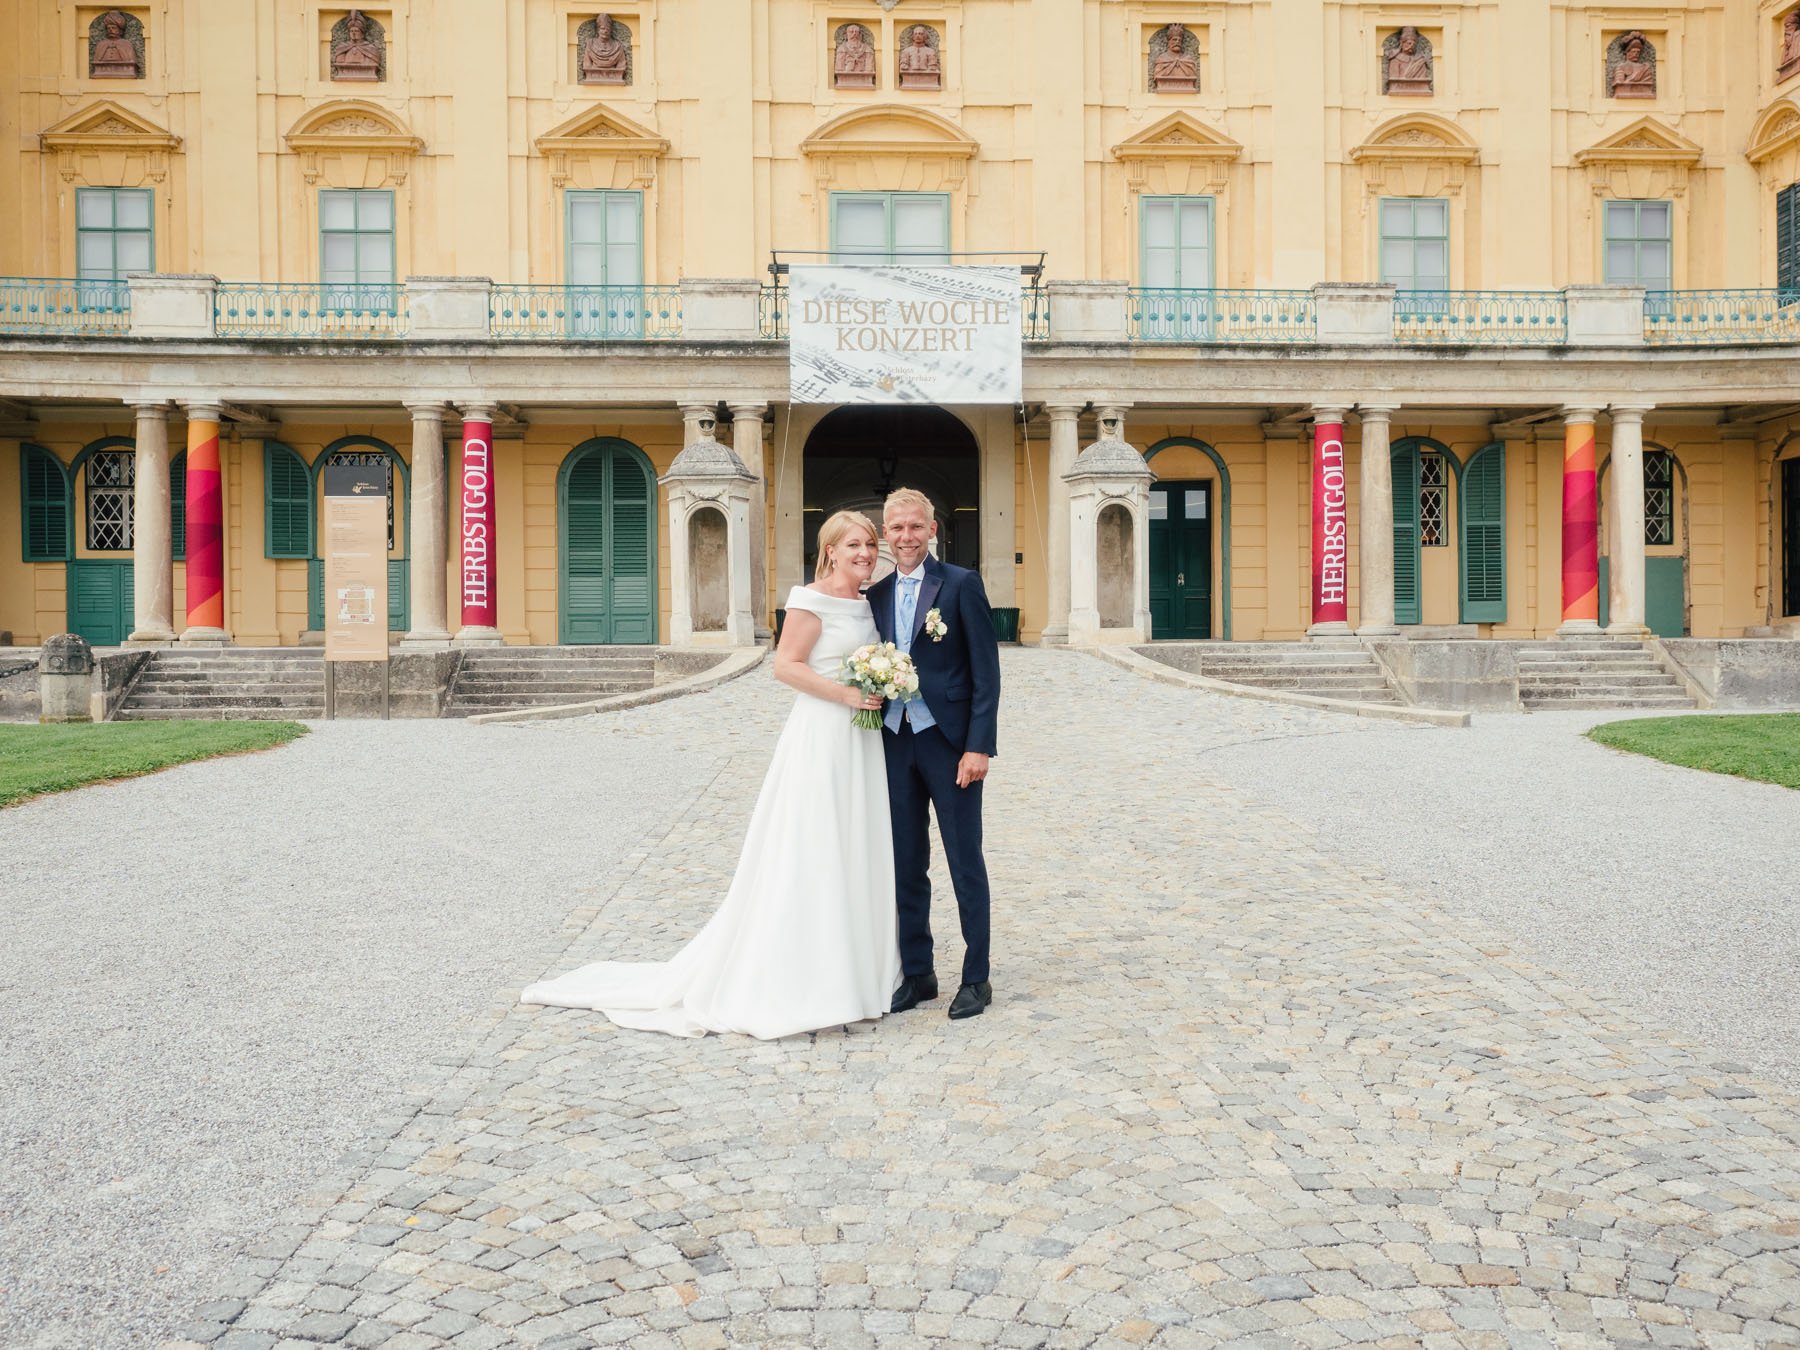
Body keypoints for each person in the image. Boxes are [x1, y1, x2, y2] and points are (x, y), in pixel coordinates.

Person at [521, 511, 900, 1038]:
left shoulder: (867, 602)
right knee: (815, 845)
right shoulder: (809, 599)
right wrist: (847, 694)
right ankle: (808, 978)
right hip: (823, 736)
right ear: (830, 550)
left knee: (856, 844)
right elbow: (786, 666)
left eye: (870, 543)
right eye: (853, 544)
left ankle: (861, 974)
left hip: (862, 739)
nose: (865, 552)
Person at [867, 488, 1001, 1021]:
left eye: (915, 527)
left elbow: (986, 673)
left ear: (933, 530)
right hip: (895, 742)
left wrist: (978, 747)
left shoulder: (962, 584)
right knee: (905, 862)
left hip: (949, 745)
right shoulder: (874, 596)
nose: (906, 537)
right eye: (896, 529)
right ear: (885, 534)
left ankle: (977, 976)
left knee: (964, 860)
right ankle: (918, 972)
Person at [580, 13, 628, 84]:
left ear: (611, 30)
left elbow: (621, 65)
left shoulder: (618, 46)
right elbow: (587, 64)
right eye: (602, 28)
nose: (605, 31)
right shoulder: (590, 44)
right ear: (598, 30)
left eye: (607, 28)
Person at [1385, 26, 1431, 95]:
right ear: (1402, 43)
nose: (1412, 46)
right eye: (1409, 43)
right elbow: (1394, 82)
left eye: (1414, 44)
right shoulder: (1395, 60)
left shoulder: (1420, 61)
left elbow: (1422, 80)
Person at [1612, 33, 1654, 99]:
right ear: (1627, 52)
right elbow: (1619, 85)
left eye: (1638, 52)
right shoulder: (1621, 67)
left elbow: (1649, 83)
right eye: (1633, 51)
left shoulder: (1645, 67)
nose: (1636, 54)